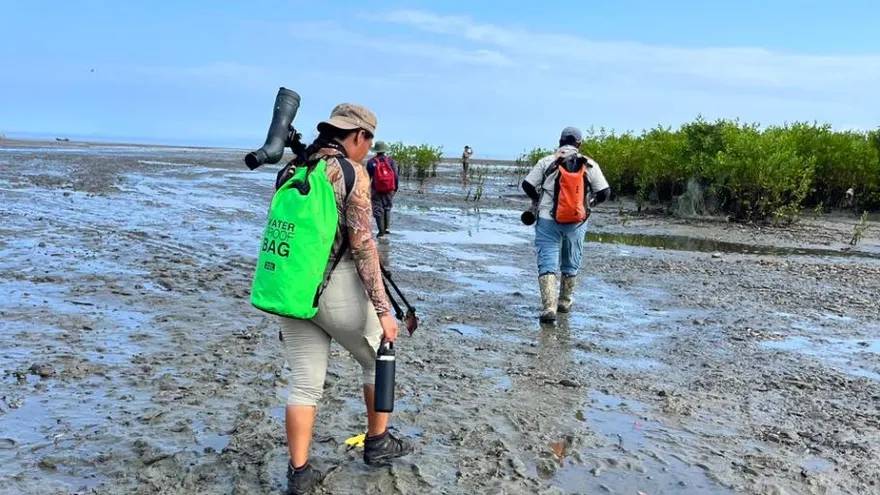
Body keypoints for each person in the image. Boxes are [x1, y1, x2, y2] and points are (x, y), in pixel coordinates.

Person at [276, 104, 412, 494]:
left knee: (304, 385)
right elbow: (364, 244)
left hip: (293, 289)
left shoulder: (293, 168)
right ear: (358, 136)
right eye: (367, 142)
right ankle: (378, 443)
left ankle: (300, 474)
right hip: (338, 288)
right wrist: (384, 310)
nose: (367, 150)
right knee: (375, 357)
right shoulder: (351, 173)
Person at [521, 126, 611, 323]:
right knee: (571, 260)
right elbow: (604, 192)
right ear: (579, 143)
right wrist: (588, 205)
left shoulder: (547, 161)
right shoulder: (589, 164)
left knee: (547, 261)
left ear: (560, 141)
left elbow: (527, 184)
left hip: (547, 218)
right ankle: (565, 302)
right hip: (577, 221)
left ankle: (549, 307)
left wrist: (538, 200)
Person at [366, 141, 399, 237]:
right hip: (389, 189)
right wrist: (395, 188)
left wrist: (368, 190)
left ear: (376, 151)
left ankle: (381, 232)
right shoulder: (391, 161)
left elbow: (367, 178)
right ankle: (387, 228)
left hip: (376, 189)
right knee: (387, 207)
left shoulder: (371, 162)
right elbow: (396, 176)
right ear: (385, 150)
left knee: (378, 209)